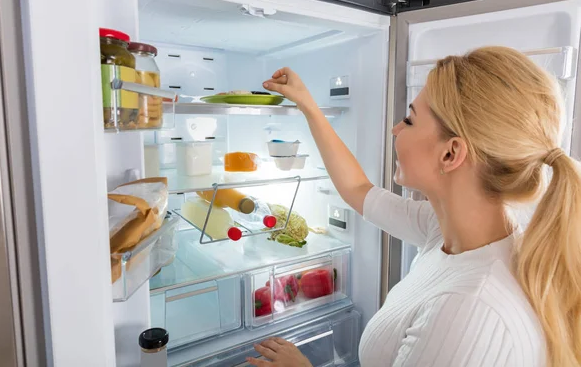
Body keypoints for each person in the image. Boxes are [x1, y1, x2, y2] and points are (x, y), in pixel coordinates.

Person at [246, 47, 581, 367]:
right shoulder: (448, 231)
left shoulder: (467, 309)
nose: (395, 129)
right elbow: (358, 190)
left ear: (451, 154)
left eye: (408, 120)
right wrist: (309, 106)